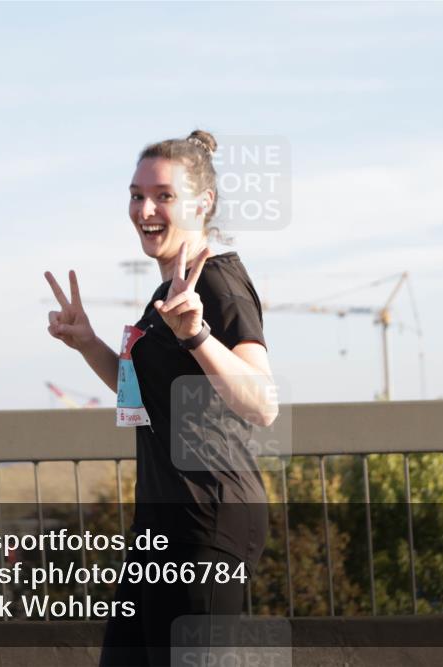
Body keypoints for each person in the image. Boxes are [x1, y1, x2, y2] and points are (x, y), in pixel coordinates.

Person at [45, 129, 277, 666]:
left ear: (203, 203)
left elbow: (262, 404)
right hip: (160, 522)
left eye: (164, 196)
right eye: (136, 195)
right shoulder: (165, 293)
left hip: (207, 518)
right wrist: (87, 344)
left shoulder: (219, 285)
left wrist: (198, 336)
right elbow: (143, 398)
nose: (145, 209)